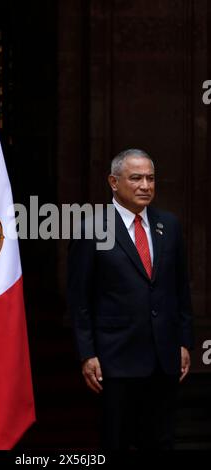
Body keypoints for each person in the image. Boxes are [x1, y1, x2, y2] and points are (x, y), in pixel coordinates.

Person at [67, 149, 194, 450]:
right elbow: (79, 298)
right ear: (113, 181)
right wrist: (87, 354)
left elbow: (180, 291)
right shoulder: (91, 229)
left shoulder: (169, 226)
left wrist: (184, 342)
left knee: (161, 441)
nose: (145, 186)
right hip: (115, 361)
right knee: (118, 441)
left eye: (150, 178)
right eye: (136, 178)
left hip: (164, 359)